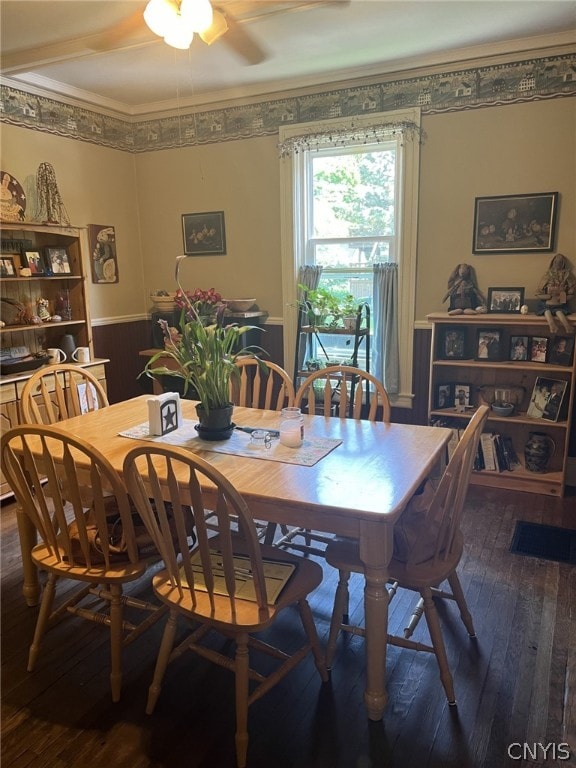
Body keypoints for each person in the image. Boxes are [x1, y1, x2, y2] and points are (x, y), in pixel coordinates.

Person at [535, 253, 576, 333]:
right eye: (556, 262)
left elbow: (571, 291)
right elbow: (539, 292)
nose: (557, 264)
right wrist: (548, 296)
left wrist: (562, 298)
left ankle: (567, 327)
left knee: (559, 311)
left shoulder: (568, 275)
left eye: (560, 262)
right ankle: (552, 326)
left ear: (563, 263)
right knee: (547, 311)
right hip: (547, 301)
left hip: (560, 302)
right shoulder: (547, 275)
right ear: (553, 262)